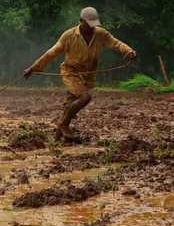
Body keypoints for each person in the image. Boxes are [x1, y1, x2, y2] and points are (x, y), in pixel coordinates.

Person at [23, 7, 137, 140]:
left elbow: (116, 43)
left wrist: (129, 51)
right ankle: (64, 126)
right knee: (85, 97)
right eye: (88, 24)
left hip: (88, 73)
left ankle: (57, 139)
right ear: (81, 21)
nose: (91, 27)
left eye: (93, 24)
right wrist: (34, 67)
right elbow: (51, 53)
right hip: (70, 72)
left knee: (70, 104)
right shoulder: (69, 36)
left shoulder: (101, 34)